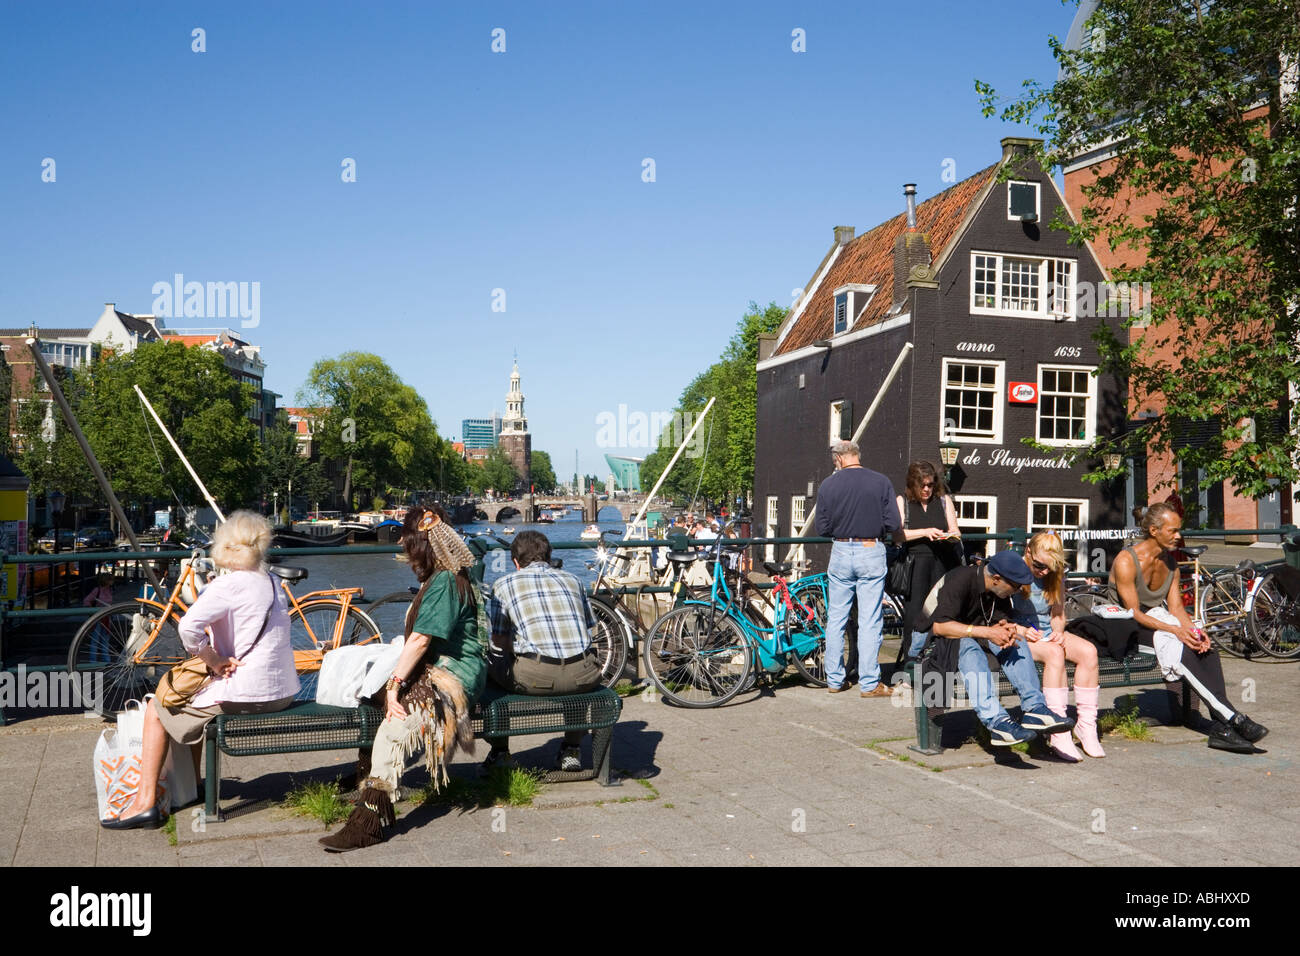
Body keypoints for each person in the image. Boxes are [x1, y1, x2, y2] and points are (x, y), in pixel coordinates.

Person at [104, 511, 299, 830]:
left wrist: (214, 660)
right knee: (197, 695)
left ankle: (144, 803)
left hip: (249, 694)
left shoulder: (229, 584)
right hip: (283, 693)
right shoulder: (274, 581)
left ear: (225, 546)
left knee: (157, 708)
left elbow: (189, 629)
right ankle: (193, 785)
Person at [321, 505, 487, 852]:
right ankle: (366, 776)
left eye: (406, 539)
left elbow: (422, 639)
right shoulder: (448, 573)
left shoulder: (444, 582)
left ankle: (369, 820)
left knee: (396, 728)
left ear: (421, 542)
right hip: (442, 664)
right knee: (370, 692)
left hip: (453, 674)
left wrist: (396, 687)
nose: (402, 546)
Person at [1094, 503, 1267, 753]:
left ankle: (1222, 726)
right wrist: (1177, 631)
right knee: (1177, 645)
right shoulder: (1126, 560)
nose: (1178, 536)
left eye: (1179, 530)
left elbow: (1176, 609)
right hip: (1124, 628)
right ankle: (1232, 718)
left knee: (1204, 647)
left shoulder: (1171, 565)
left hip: (1155, 622)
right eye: (1173, 531)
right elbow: (1134, 613)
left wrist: (1196, 633)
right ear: (1154, 530)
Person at [915, 550, 1074, 746]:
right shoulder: (960, 579)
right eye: (1015, 586)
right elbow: (940, 627)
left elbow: (998, 620)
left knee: (1016, 639)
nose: (1016, 591)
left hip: (976, 633)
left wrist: (1005, 630)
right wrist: (988, 632)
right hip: (938, 639)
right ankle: (997, 721)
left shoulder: (998, 590)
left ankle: (1035, 709)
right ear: (997, 579)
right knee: (969, 647)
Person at [484, 530, 602, 770]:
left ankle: (500, 752)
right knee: (574, 679)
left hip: (535, 678)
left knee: (487, 667)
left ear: (515, 562)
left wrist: (515, 645)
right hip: (584, 675)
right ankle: (572, 749)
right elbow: (589, 625)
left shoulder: (504, 584)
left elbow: (497, 641)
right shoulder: (573, 580)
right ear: (549, 557)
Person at [815, 439, 899, 697]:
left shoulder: (828, 485)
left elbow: (822, 528)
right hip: (870, 549)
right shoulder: (881, 481)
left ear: (839, 458)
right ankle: (870, 683)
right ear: (856, 456)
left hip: (840, 550)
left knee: (836, 618)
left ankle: (835, 680)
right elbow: (893, 522)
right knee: (870, 619)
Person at [1012, 533, 1104, 761]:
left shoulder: (1055, 575)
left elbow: (1058, 614)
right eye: (1039, 565)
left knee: (1089, 652)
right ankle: (1058, 729)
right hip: (1018, 633)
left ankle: (1086, 726)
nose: (1044, 572)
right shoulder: (1013, 571)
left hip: (1045, 632)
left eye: (1050, 568)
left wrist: (1058, 631)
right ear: (1028, 552)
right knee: (1055, 653)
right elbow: (998, 616)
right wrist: (1022, 631)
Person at [895, 461, 962, 664]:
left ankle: (939, 660)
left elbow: (956, 530)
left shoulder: (943, 500)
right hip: (916, 564)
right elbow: (897, 535)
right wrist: (925, 532)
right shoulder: (903, 501)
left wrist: (950, 535)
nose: (926, 489)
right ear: (913, 484)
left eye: (930, 485)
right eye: (922, 485)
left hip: (943, 562)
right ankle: (911, 662)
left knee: (942, 611)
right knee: (915, 614)